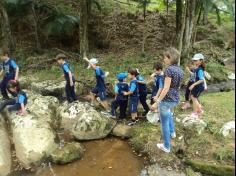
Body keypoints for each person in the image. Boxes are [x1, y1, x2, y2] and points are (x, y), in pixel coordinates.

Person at [151, 48, 184, 153]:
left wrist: (157, 102)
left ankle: (166, 146)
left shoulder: (169, 70)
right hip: (175, 98)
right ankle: (172, 132)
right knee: (169, 114)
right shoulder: (180, 69)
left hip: (167, 100)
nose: (164, 59)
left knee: (164, 123)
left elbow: (166, 88)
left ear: (170, 58)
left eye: (165, 57)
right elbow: (177, 86)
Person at [188, 53, 206, 118]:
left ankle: (195, 113)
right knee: (193, 98)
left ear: (201, 61)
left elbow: (201, 80)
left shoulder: (200, 70)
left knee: (194, 98)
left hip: (199, 86)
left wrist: (193, 85)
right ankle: (200, 110)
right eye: (194, 60)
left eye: (196, 60)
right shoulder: (197, 68)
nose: (194, 61)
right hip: (196, 86)